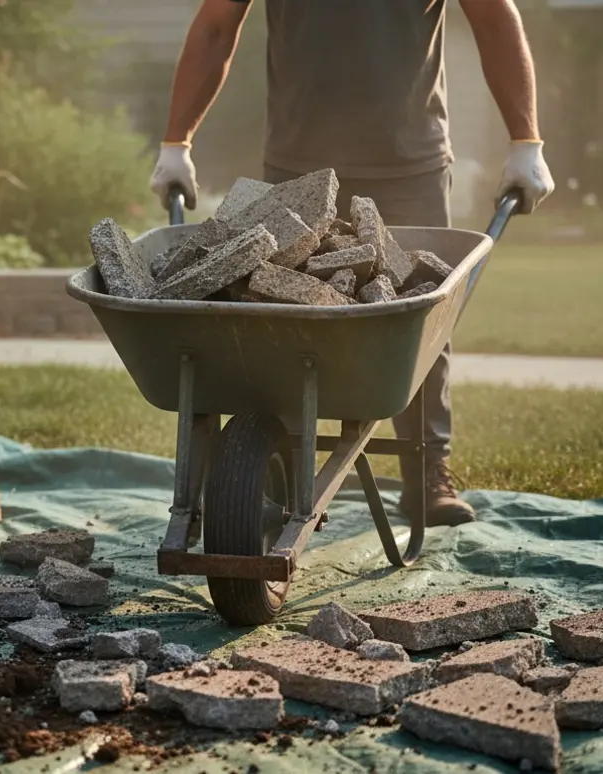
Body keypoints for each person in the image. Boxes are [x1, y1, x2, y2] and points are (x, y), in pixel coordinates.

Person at [149, 0, 555, 526]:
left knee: (418, 317)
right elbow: (216, 26)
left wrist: (526, 140)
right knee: (279, 314)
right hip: (299, 162)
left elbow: (494, 18)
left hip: (409, 162)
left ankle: (428, 471)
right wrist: (176, 142)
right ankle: (283, 471)